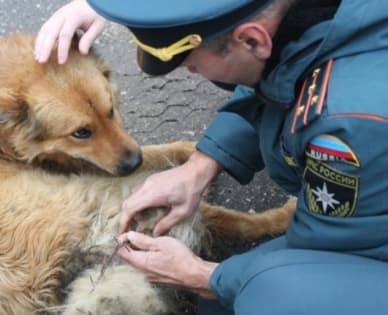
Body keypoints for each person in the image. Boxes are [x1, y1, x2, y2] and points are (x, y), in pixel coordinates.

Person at [35, 0, 388, 314]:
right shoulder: (309, 19)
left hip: (360, 240)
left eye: (191, 63)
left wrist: (204, 276)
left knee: (266, 295)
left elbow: (327, 252)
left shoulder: (348, 127)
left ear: (252, 40)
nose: (189, 72)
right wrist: (199, 167)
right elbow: (282, 80)